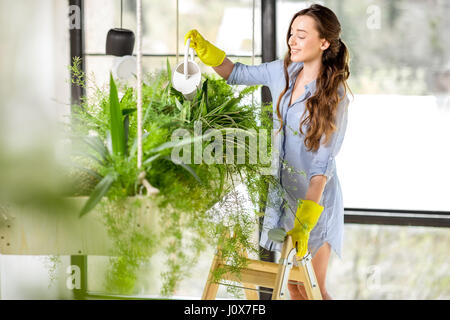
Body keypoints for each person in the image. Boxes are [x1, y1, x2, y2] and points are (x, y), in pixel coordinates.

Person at [185, 3, 351, 300]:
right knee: (292, 284)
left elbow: (321, 168)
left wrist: (306, 220)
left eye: (301, 35)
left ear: (324, 42)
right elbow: (236, 74)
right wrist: (209, 52)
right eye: (291, 33)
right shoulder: (283, 71)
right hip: (284, 195)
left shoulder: (334, 95)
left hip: (315, 205)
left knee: (312, 288)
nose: (292, 40)